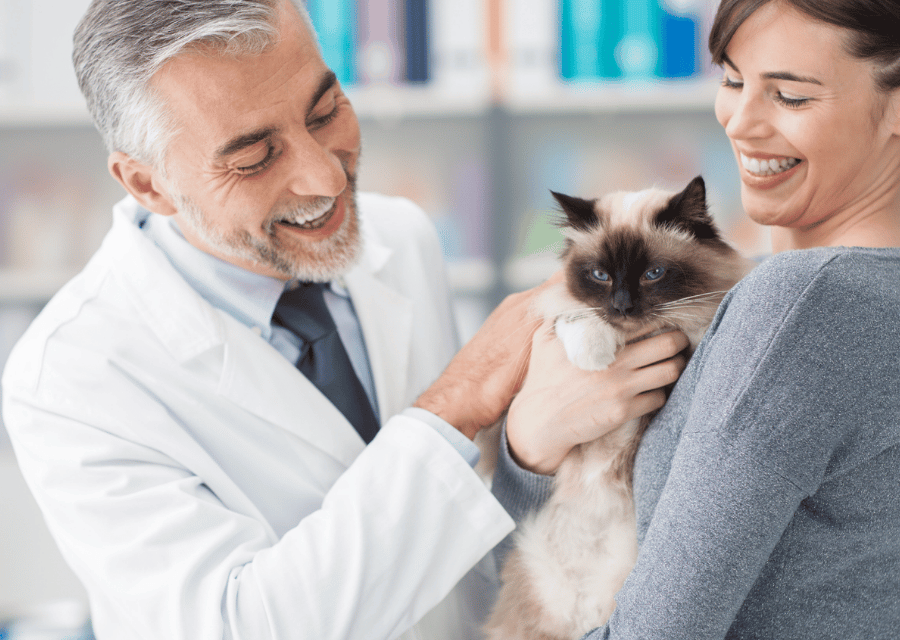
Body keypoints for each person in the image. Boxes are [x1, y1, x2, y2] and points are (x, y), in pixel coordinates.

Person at [1, 1, 688, 639]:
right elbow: (241, 626)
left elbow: (458, 553)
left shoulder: (402, 238)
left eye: (326, 109)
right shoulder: (70, 376)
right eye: (254, 157)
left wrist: (526, 457)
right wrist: (455, 403)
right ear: (148, 183)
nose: (325, 178)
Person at [496, 0, 900, 638]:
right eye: (733, 81)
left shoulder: (803, 303)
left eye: (790, 97)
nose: (740, 122)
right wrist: (536, 447)